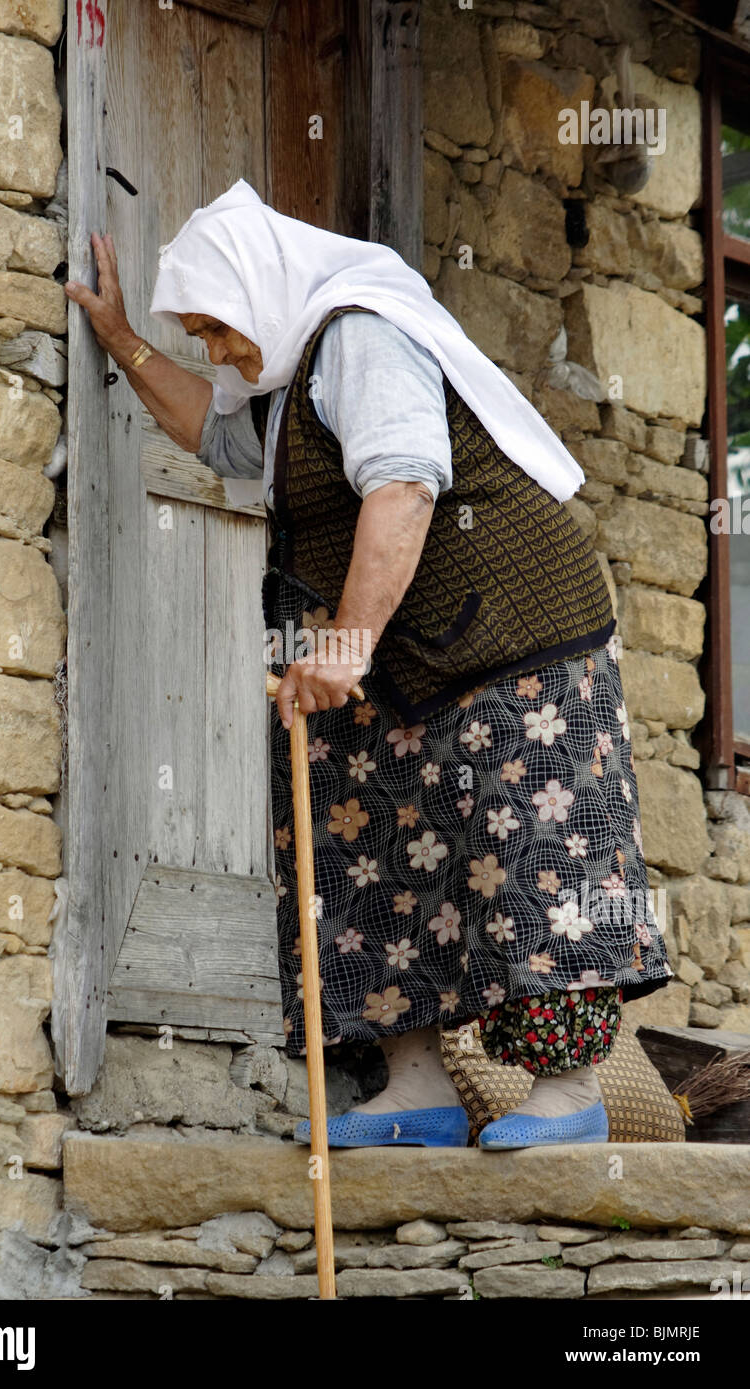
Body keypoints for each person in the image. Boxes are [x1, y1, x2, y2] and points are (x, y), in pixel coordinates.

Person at [65, 179, 673, 1151]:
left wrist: (342, 643)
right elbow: (215, 436)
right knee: (380, 832)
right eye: (203, 338)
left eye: (218, 331)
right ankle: (416, 1087)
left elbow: (401, 485)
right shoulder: (292, 384)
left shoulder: (359, 337)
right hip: (416, 657)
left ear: (261, 290)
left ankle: (567, 1091)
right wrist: (123, 340)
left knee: (534, 846)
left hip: (516, 634)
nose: (216, 355)